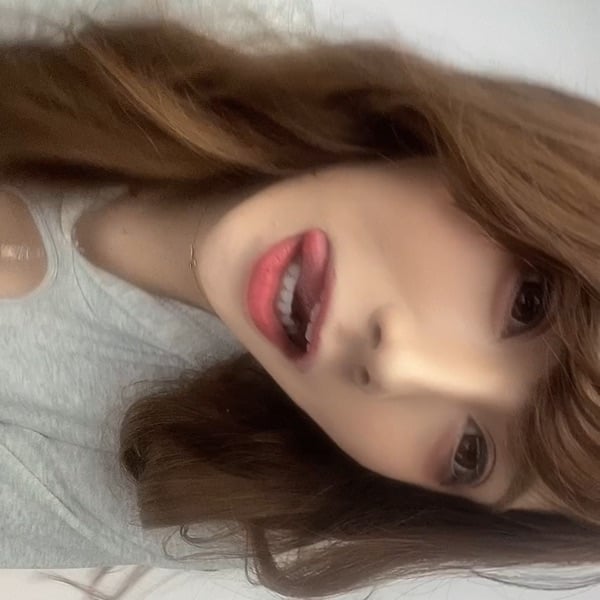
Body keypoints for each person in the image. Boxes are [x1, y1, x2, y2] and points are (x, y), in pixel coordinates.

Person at [0, 13, 599, 600]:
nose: (396, 367)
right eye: (528, 303)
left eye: (471, 455)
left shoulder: (165, 486)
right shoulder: (186, 28)